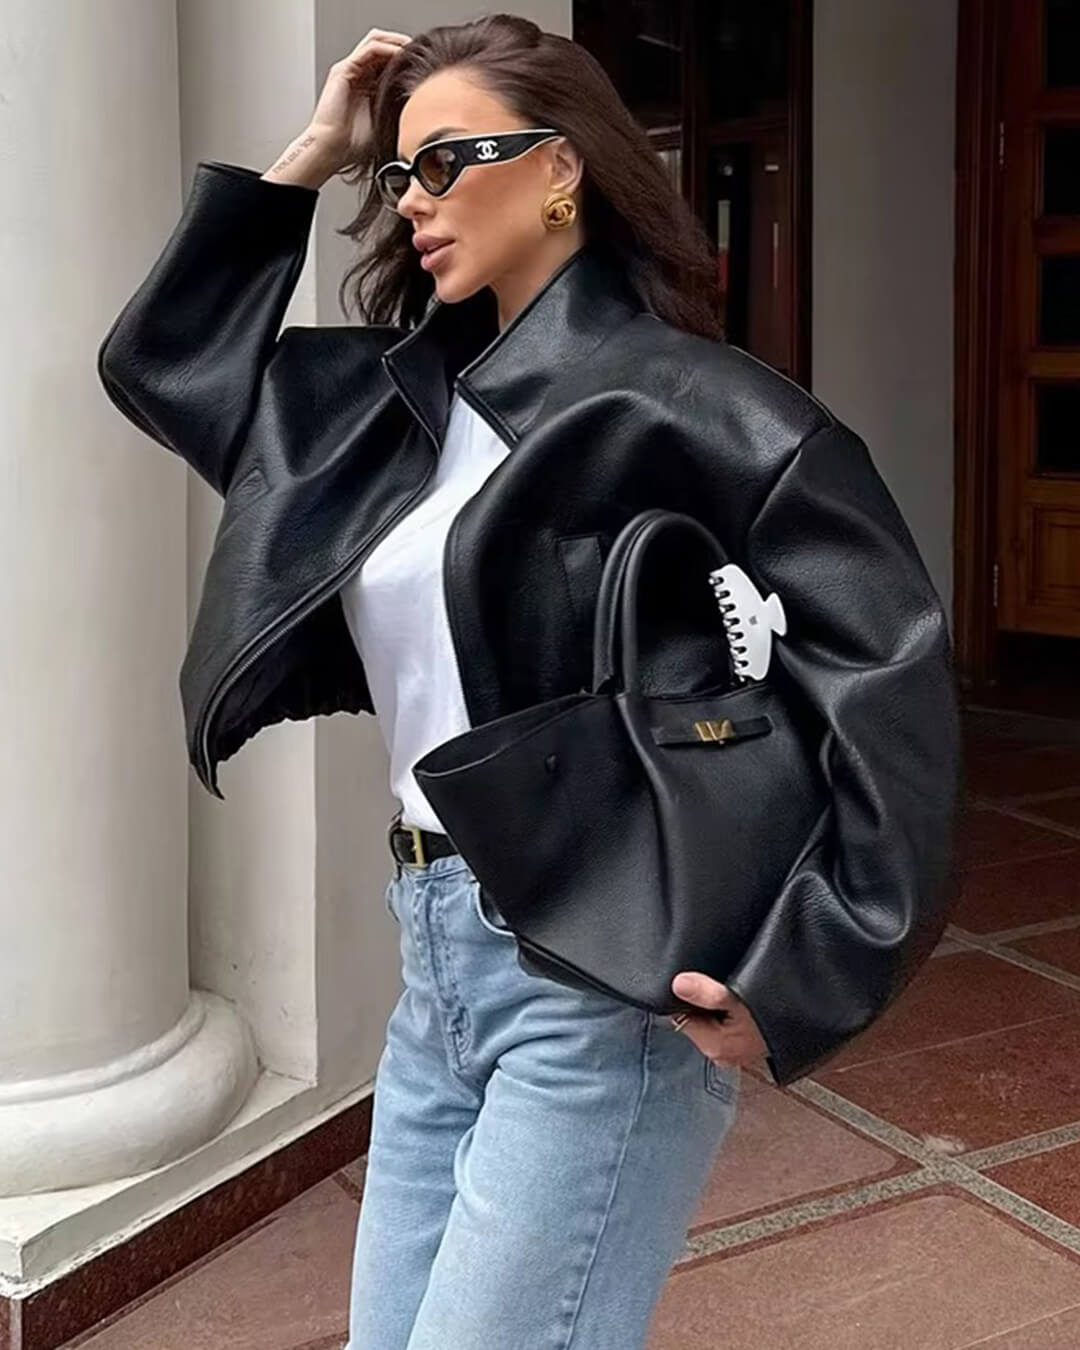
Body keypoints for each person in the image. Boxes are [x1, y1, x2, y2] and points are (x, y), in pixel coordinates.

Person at [96, 15, 961, 1349]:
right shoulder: (381, 411)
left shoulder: (693, 405)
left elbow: (887, 670)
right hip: (434, 958)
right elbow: (165, 365)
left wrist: (816, 960)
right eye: (401, 174)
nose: (413, 199)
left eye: (447, 161)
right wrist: (314, 155)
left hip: (598, 973)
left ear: (562, 167)